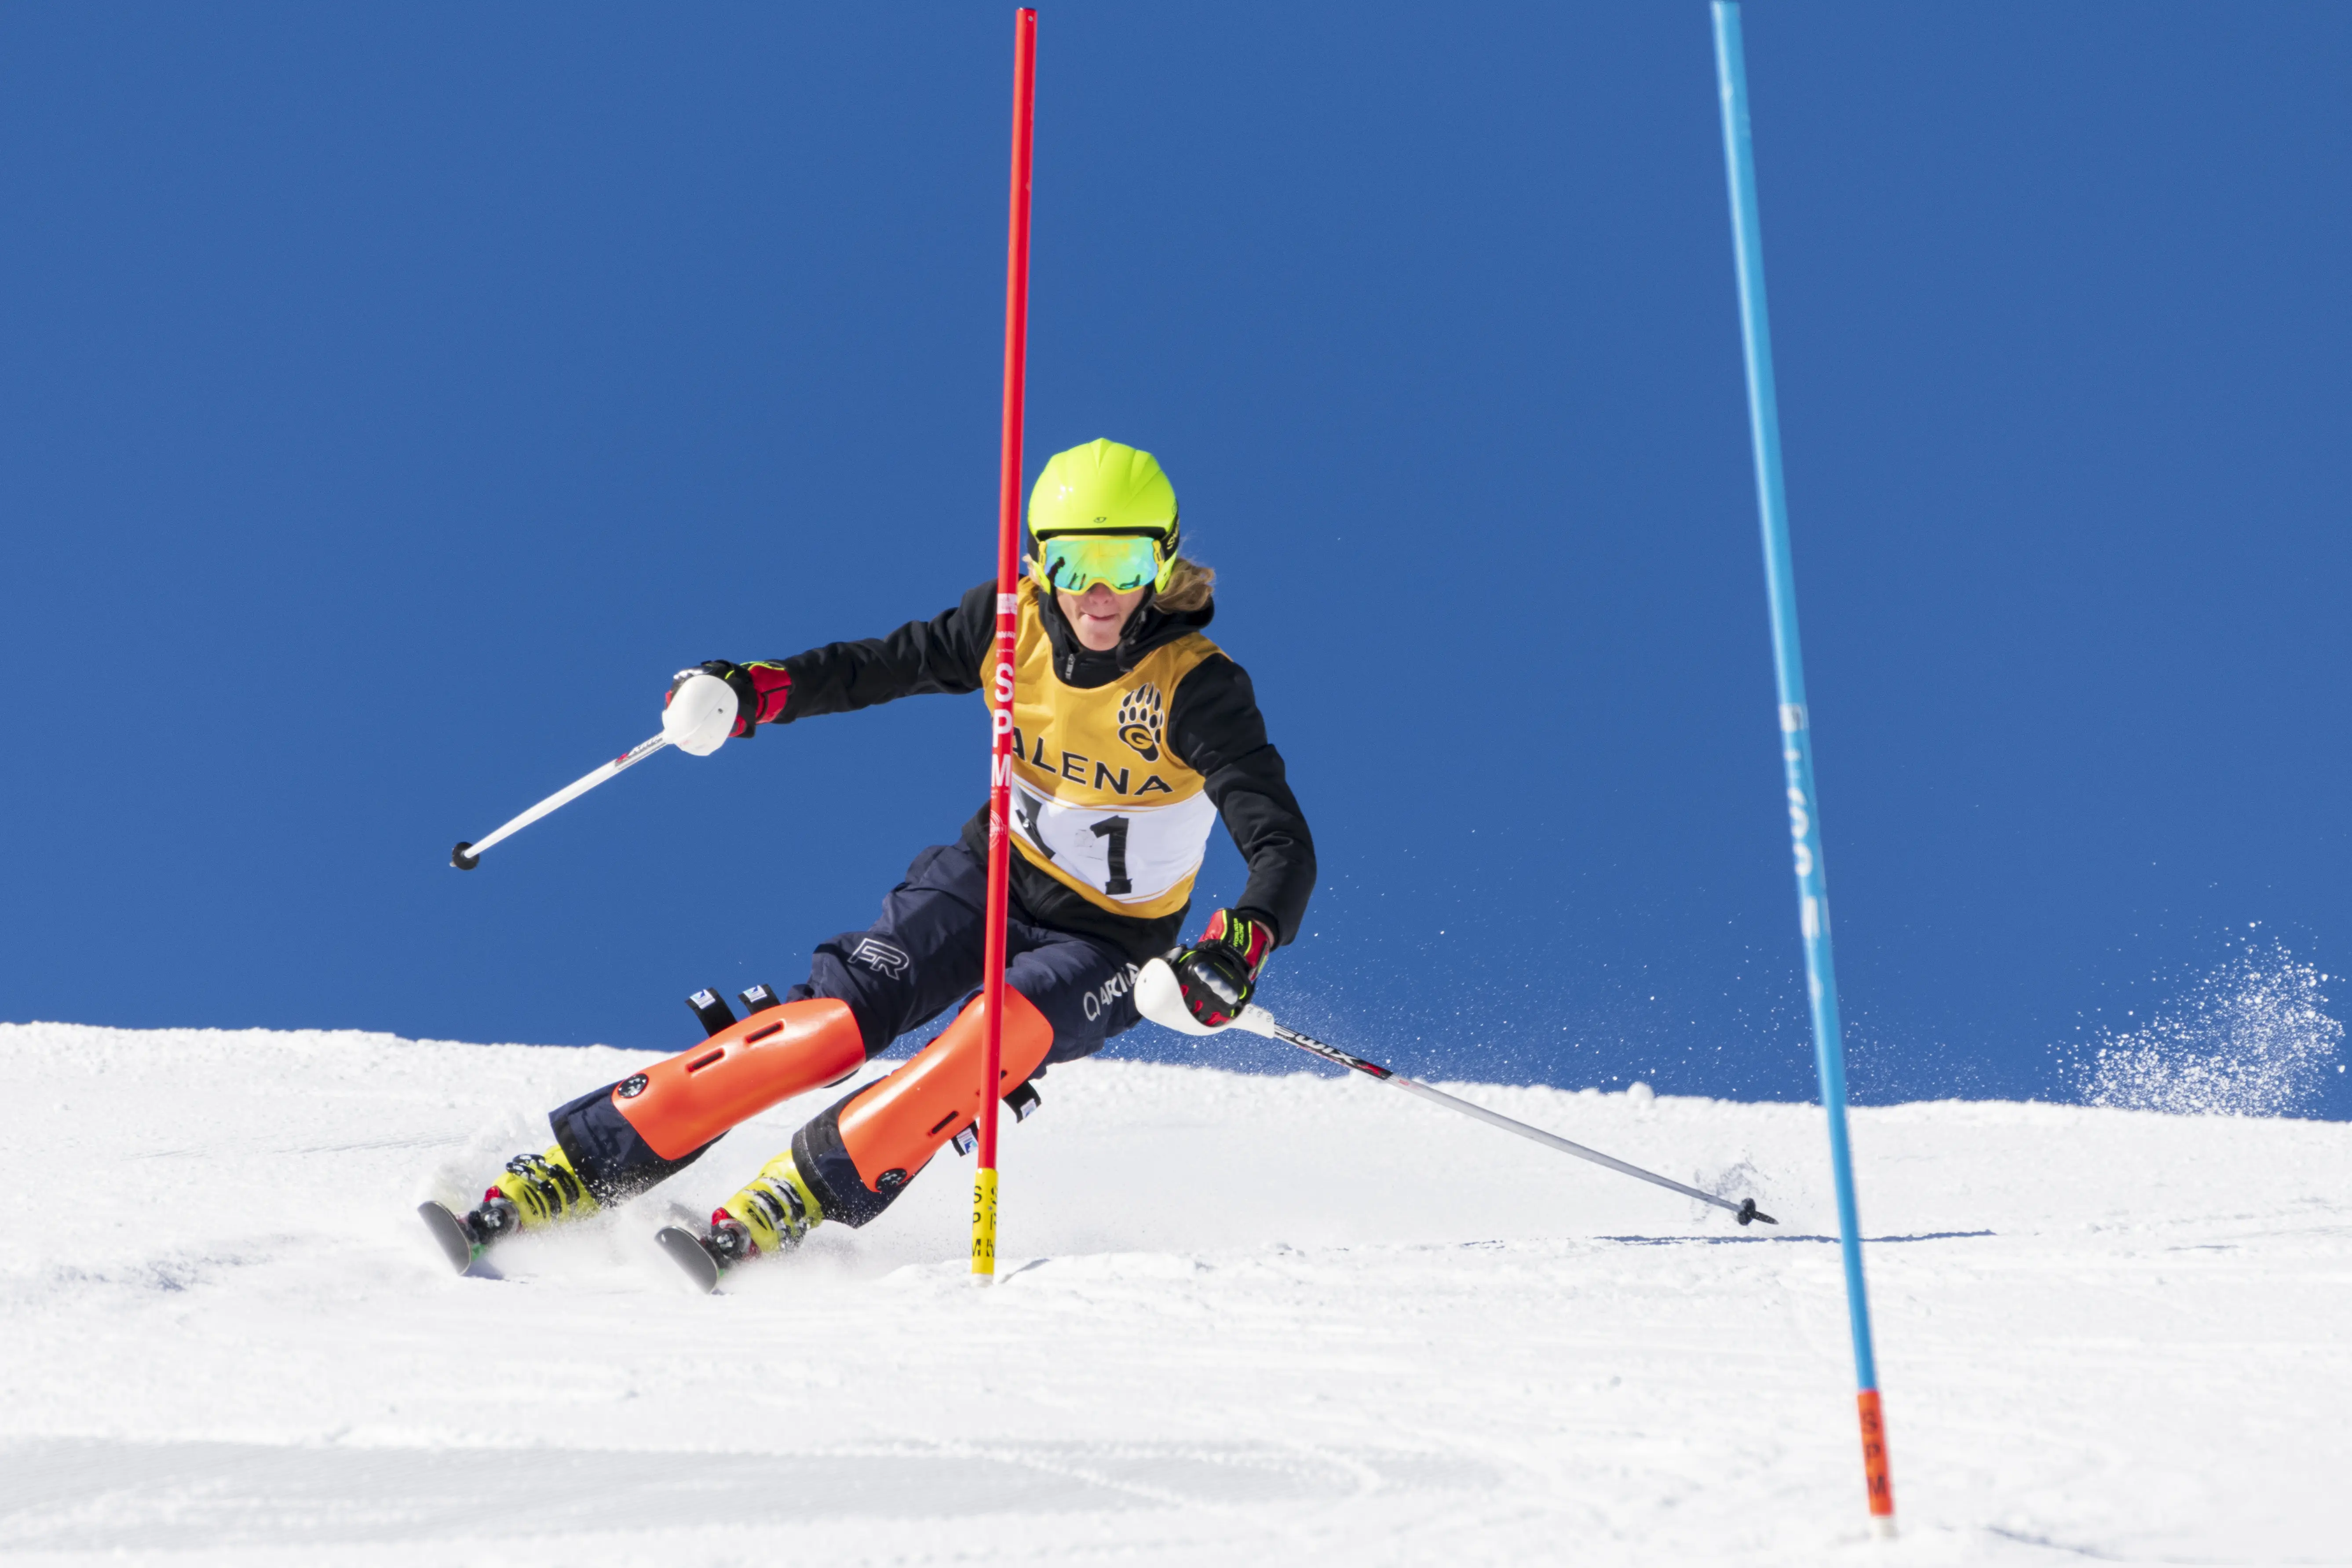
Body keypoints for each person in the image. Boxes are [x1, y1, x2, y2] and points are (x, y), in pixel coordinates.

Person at [424, 439, 1315, 1279]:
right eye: (1076, 565)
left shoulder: (1198, 687)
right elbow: (879, 666)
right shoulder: (1010, 626)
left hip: (1113, 944)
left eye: (1124, 568)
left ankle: (794, 1198)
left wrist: (1239, 946)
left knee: (995, 1038)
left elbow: (1278, 838)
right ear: (1041, 560)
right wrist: (754, 691)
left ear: (1161, 565)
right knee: (835, 1024)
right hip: (988, 879)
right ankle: (569, 1169)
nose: (1098, 595)